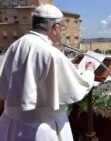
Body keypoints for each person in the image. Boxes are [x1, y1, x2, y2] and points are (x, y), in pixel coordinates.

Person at [0, 4, 95, 141]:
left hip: (10, 126)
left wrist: (67, 66)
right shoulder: (51, 53)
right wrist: (90, 70)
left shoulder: (15, 45)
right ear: (55, 28)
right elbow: (80, 86)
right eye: (62, 28)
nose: (61, 32)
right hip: (41, 131)